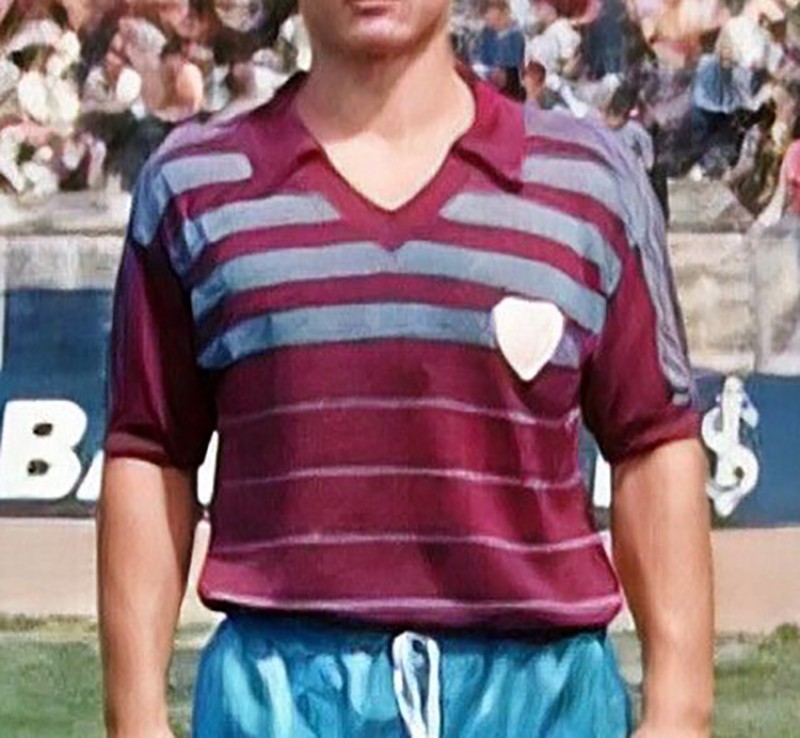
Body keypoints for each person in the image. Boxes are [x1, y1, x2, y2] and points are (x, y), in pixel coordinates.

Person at [98, 2, 714, 738]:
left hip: (541, 697)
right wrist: (134, 717)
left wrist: (681, 709)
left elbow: (653, 438)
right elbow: (151, 448)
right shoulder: (193, 185)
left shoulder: (589, 181)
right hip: (278, 697)